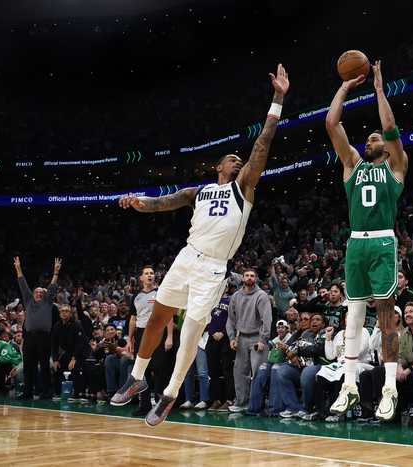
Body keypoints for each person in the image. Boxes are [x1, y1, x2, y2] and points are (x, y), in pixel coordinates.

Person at [110, 64, 289, 427]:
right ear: (218, 166)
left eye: (240, 161)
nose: (238, 162)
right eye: (232, 160)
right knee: (158, 316)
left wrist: (277, 100)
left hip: (213, 267)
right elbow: (163, 202)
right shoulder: (200, 191)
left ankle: (170, 393)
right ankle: (137, 376)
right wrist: (138, 202)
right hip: (186, 256)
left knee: (191, 330)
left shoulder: (244, 188)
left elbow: (262, 144)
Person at [325, 60, 408, 422]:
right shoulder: (352, 165)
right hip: (356, 243)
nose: (369, 141)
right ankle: (349, 385)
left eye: (374, 139)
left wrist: (378, 90)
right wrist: (345, 87)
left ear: (386, 148)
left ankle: (390, 388)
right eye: (368, 138)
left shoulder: (396, 166)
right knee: (353, 317)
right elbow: (332, 124)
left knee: (386, 316)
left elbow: (389, 127)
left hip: (382, 243)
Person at [127, 265, 173, 416]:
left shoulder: (161, 293)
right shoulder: (136, 296)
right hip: (141, 334)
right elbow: (133, 319)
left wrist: (169, 336)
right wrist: (130, 340)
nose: (149, 275)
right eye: (146, 273)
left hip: (158, 332)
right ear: (141, 278)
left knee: (159, 369)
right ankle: (144, 405)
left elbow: (168, 315)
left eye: (151, 273)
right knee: (142, 371)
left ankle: (160, 406)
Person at [14, 256, 61, 400]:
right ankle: (27, 392)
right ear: (33, 294)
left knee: (45, 365)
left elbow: (52, 287)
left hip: (44, 337)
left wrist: (56, 272)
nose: (39, 293)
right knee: (28, 366)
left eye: (42, 292)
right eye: (37, 292)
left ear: (45, 295)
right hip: (29, 337)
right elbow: (22, 284)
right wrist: (18, 268)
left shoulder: (48, 302)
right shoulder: (28, 300)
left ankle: (46, 392)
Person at [226, 269, 273, 413]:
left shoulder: (261, 295)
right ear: (242, 278)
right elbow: (231, 319)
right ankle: (241, 403)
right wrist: (232, 337)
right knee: (239, 372)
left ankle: (257, 405)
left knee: (258, 373)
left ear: (256, 279)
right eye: (247, 275)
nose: (249, 278)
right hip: (241, 338)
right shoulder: (236, 296)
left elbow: (267, 319)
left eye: (252, 276)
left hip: (257, 338)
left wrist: (263, 339)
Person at [206, 282, 235, 411]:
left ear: (227, 288)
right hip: (211, 338)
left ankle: (229, 400)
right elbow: (206, 318)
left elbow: (233, 319)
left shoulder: (231, 301)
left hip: (226, 338)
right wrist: (212, 332)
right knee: (213, 371)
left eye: (224, 285)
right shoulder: (210, 300)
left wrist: (223, 332)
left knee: (227, 370)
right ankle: (216, 400)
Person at [50, 305, 86, 400]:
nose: (64, 313)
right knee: (57, 367)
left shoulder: (77, 325)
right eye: (62, 311)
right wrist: (55, 360)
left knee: (75, 367)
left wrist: (74, 358)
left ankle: (76, 393)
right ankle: (57, 392)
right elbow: (54, 344)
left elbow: (79, 343)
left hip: (80, 352)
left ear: (70, 314)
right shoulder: (57, 326)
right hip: (67, 352)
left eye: (66, 311)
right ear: (59, 313)